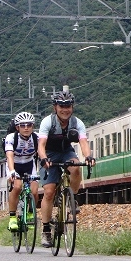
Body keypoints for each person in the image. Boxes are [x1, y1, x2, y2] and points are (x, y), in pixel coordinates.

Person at [37, 90, 95, 247]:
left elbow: (83, 142)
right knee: (49, 192)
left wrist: (88, 156)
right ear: (55, 107)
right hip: (49, 153)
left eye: (68, 106)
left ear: (72, 107)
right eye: (61, 106)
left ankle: (72, 199)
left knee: (76, 168)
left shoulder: (77, 123)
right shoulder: (47, 122)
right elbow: (41, 145)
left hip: (66, 152)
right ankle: (46, 230)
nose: (65, 109)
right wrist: (43, 158)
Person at [4, 112, 39, 231]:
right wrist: (12, 171)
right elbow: (9, 155)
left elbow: (43, 153)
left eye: (29, 125)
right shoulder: (11, 138)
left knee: (34, 191)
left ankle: (30, 212)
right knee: (17, 187)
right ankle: (12, 218)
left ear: (32, 126)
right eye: (22, 125)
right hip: (14, 164)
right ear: (17, 127)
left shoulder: (36, 138)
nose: (26, 128)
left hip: (29, 164)